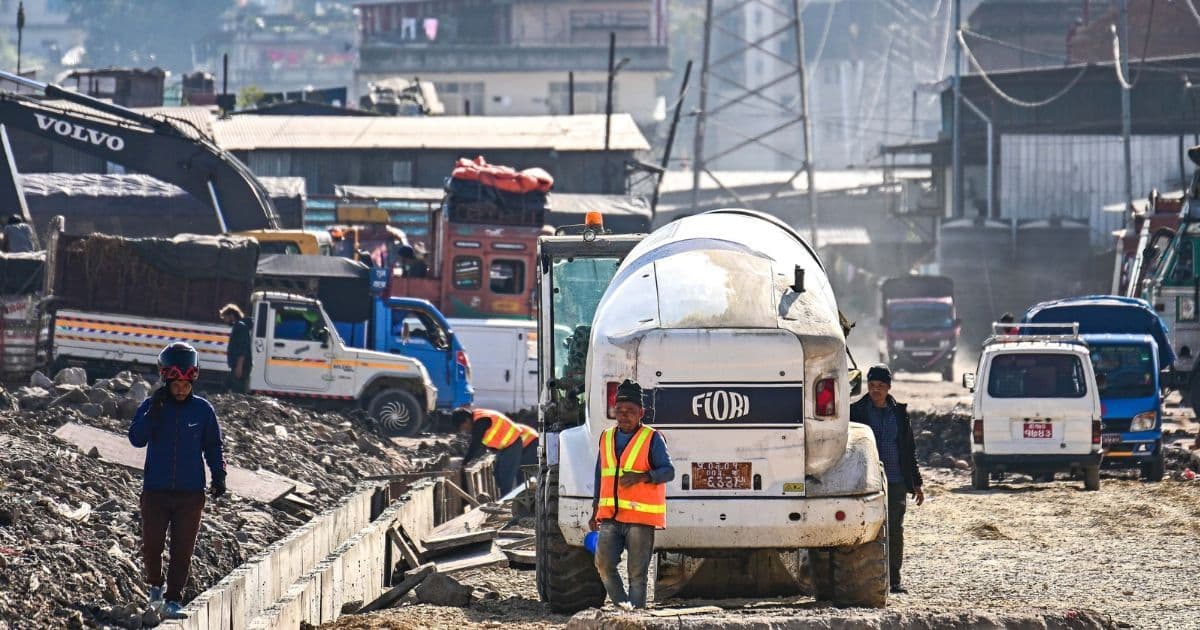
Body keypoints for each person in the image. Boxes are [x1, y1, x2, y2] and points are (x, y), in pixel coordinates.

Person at [128, 343, 227, 619]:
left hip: (190, 494)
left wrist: (219, 474)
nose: (181, 390)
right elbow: (136, 439)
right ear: (166, 381)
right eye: (176, 385)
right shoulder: (152, 406)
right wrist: (153, 412)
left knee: (182, 550)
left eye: (186, 384)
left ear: (193, 380)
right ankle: (155, 587)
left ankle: (173, 600)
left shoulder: (203, 410)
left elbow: (213, 446)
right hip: (155, 492)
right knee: (152, 545)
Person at [589, 379, 674, 609]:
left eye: (630, 410)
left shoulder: (652, 438)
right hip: (610, 516)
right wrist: (595, 509)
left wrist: (642, 477)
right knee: (603, 565)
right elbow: (600, 475)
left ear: (641, 413)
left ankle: (635, 618)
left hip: (639, 519)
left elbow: (668, 471)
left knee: (637, 575)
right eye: (619, 410)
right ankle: (625, 610)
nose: (624, 415)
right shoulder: (606, 437)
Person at [850, 364, 923, 594]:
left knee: (894, 531)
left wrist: (917, 483)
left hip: (895, 481)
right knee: (866, 530)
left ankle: (893, 580)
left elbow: (909, 449)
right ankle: (866, 579)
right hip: (866, 483)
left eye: (880, 386)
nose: (875, 390)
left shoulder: (899, 414)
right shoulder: (856, 412)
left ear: (889, 387)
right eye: (872, 385)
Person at [455, 406, 538, 496]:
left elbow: (475, 444)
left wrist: (465, 462)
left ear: (467, 420)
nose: (465, 430)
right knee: (498, 475)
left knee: (510, 477)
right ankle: (513, 497)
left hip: (520, 443)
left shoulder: (481, 421)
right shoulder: (479, 417)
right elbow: (483, 443)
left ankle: (509, 500)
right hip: (507, 446)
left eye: (463, 427)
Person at [219, 304, 252, 393]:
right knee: (225, 387)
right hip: (237, 365)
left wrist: (239, 366)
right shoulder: (239, 326)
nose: (225, 320)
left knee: (237, 391)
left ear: (231, 316)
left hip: (241, 366)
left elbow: (243, 348)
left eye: (225, 317)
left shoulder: (240, 327)